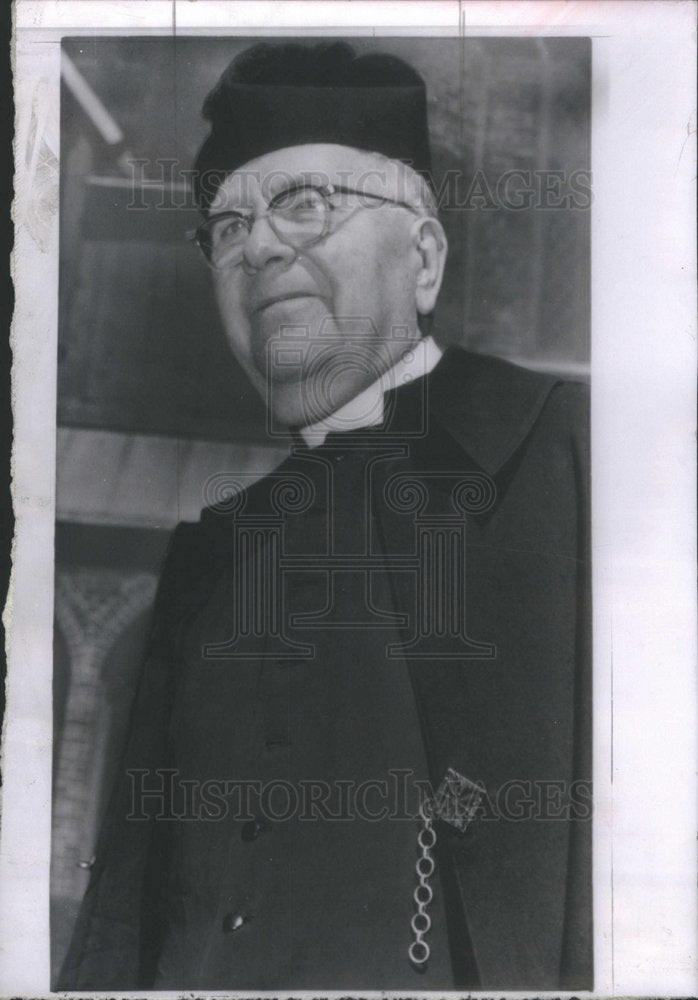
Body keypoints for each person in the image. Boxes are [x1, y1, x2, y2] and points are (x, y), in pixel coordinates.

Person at [58, 41, 591, 992]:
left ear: (423, 256)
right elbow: (120, 924)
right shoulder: (209, 559)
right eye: (226, 227)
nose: (257, 246)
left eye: (305, 204)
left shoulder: (568, 458)